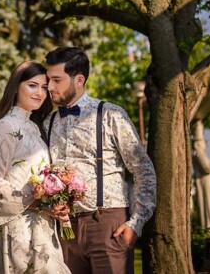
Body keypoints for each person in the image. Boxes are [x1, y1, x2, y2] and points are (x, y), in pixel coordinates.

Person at [42, 47, 156, 274]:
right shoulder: (49, 122)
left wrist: (136, 223)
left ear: (79, 80)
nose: (50, 87)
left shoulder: (110, 115)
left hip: (108, 224)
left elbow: (143, 169)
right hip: (65, 229)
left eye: (56, 80)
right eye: (48, 80)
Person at [0, 61, 72, 273]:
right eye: (32, 85)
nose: (40, 92)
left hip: (44, 226)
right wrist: (38, 204)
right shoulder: (5, 127)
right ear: (16, 87)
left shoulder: (34, 127)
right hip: (20, 230)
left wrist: (57, 200)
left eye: (43, 87)